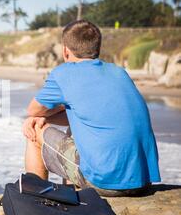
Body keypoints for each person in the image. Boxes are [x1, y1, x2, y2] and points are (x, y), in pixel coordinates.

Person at [23, 20, 160, 197]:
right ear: (97, 48)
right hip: (142, 181)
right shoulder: (119, 72)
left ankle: (35, 199)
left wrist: (42, 118)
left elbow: (33, 110)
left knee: (34, 128)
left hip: (105, 182)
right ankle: (73, 195)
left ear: (65, 50)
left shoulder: (64, 73)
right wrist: (51, 116)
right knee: (77, 126)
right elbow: (86, 115)